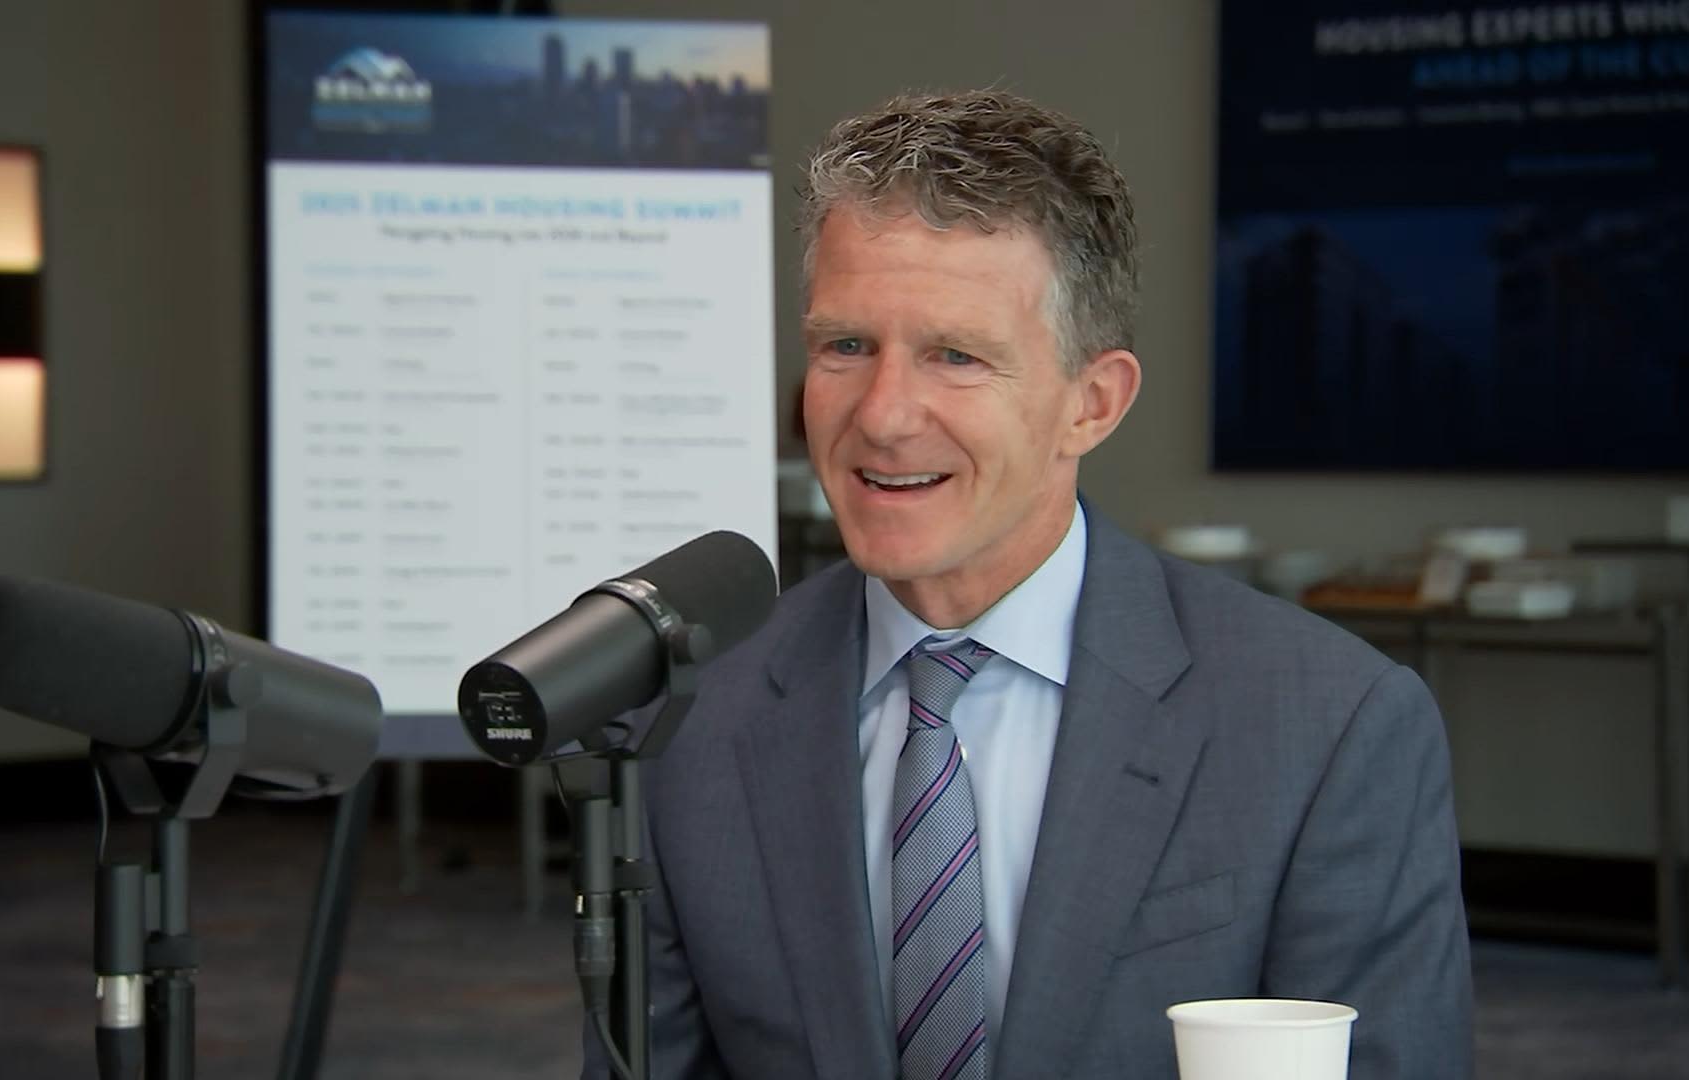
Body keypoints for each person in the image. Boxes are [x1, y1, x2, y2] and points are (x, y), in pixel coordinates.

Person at [585, 89, 1472, 1080]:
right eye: (846, 346)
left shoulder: (1329, 724)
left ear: (1092, 403)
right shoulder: (693, 715)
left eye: (955, 356)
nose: (881, 416)